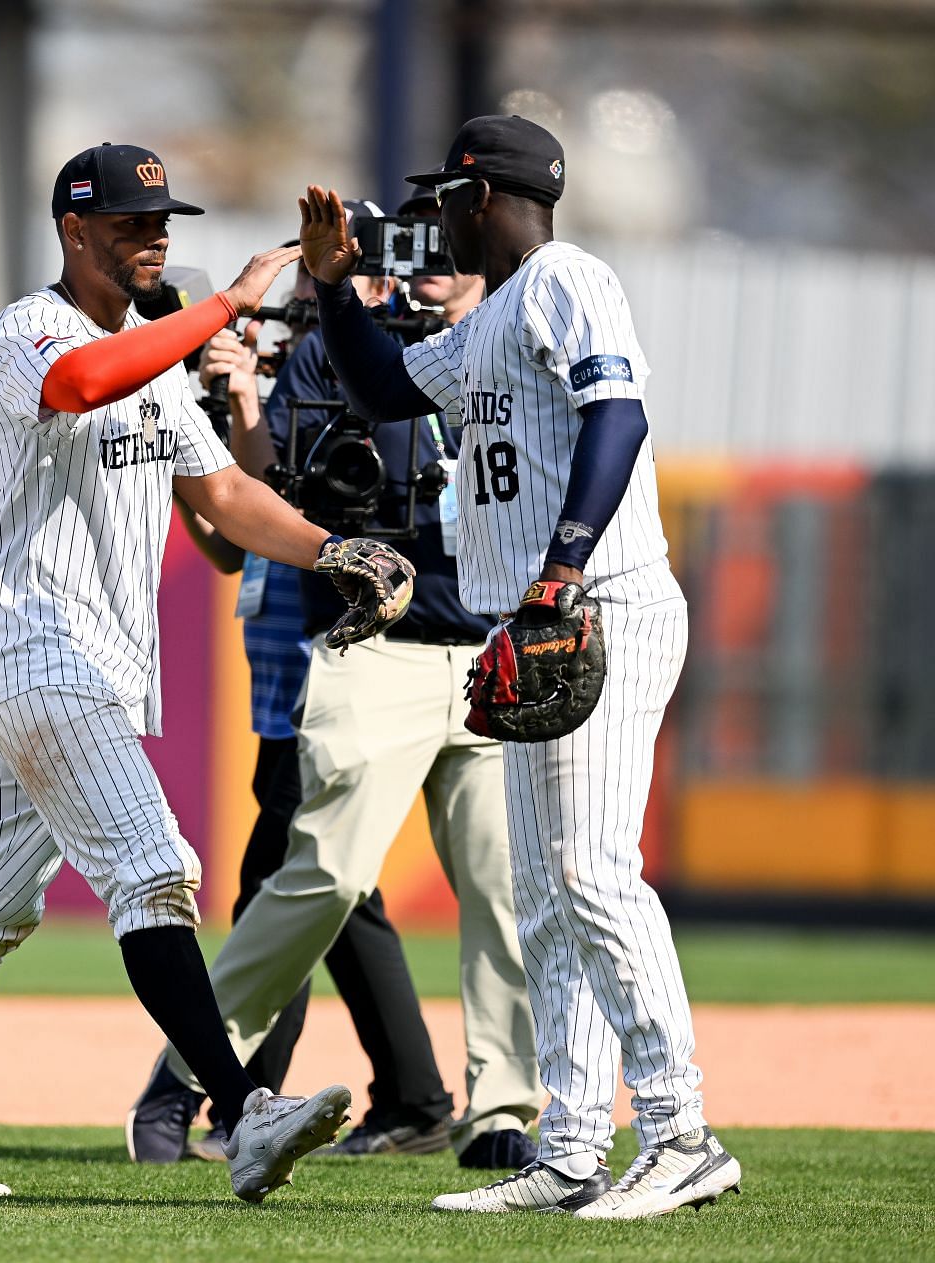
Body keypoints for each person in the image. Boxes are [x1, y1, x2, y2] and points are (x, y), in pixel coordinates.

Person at [0, 143, 416, 1204]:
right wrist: (230, 302)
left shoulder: (152, 343)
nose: (154, 237)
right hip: (32, 644)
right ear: (73, 230)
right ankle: (242, 1113)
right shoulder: (30, 329)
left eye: (164, 222)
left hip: (83, 660)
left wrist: (329, 548)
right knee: (155, 870)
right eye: (133, 222)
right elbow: (79, 380)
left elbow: (224, 497)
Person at [303, 114, 742, 1218]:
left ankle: (682, 1130)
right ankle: (575, 1146)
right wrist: (331, 287)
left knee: (592, 871)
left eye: (445, 198)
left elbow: (620, 414)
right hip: (533, 620)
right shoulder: (491, 317)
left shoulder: (565, 278)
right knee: (543, 896)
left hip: (598, 603)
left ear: (481, 195)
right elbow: (387, 390)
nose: (434, 218)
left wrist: (562, 569)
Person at [132, 190, 544, 1173]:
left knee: (499, 889)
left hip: (486, 645)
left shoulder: (515, 350)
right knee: (321, 874)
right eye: (417, 248)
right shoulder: (341, 352)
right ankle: (189, 1074)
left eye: (451, 247)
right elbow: (270, 498)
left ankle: (503, 1117)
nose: (431, 265)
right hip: (374, 648)